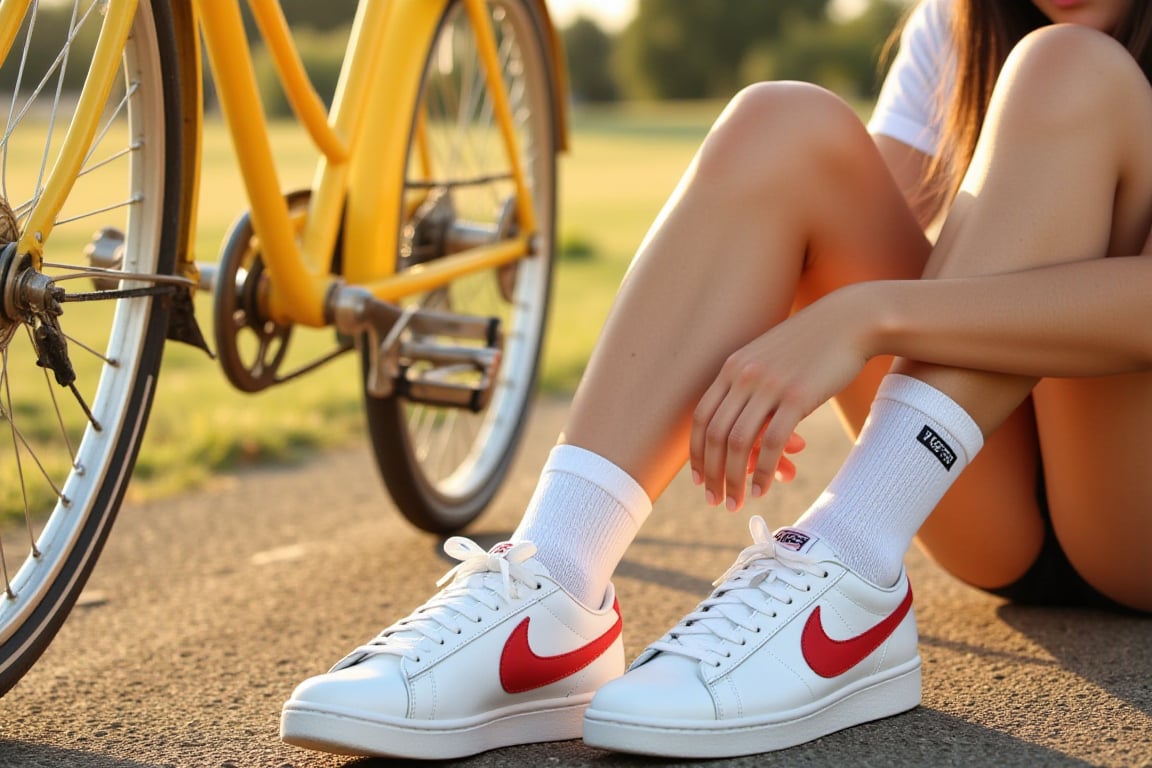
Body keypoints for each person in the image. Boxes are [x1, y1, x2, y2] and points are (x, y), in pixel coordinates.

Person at [279, 0, 1152, 760]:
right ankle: (555, 588)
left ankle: (847, 558)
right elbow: (841, 219)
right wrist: (781, 345)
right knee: (785, 122)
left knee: (1068, 67)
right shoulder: (955, 25)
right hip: (987, 504)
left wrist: (866, 317)